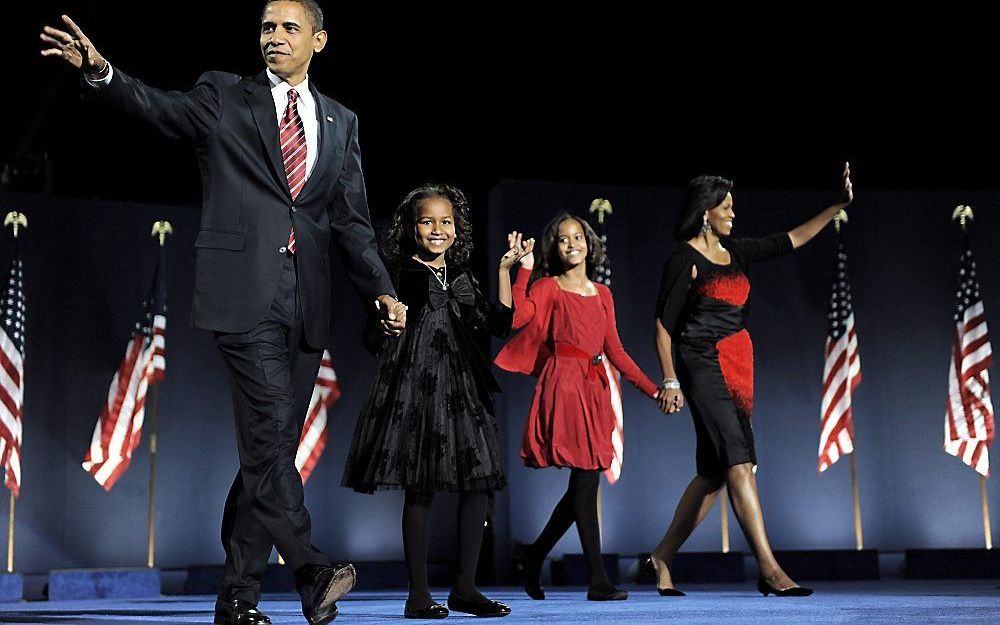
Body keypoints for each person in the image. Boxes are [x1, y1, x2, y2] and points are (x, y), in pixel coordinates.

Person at [40, 4, 406, 624]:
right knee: (268, 432)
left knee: (271, 451)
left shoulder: (341, 122)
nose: (275, 37)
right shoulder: (223, 96)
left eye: (290, 28)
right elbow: (158, 109)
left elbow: (351, 220)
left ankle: (237, 599)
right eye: (266, 27)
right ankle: (310, 565)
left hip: (307, 300)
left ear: (319, 40)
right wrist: (103, 73)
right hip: (240, 292)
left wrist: (382, 289)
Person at [648, 164, 854, 597]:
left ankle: (662, 555)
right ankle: (770, 570)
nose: (733, 213)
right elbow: (664, 326)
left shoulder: (737, 252)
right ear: (705, 211)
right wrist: (669, 381)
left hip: (738, 365)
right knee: (739, 460)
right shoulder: (683, 260)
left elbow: (792, 239)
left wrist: (837, 205)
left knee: (713, 472)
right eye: (726, 206)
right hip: (700, 362)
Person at [344, 184, 531, 619]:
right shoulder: (398, 275)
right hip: (416, 388)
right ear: (411, 228)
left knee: (479, 485)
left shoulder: (462, 275)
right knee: (420, 486)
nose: (437, 229)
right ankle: (418, 595)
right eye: (427, 221)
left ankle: (465, 589)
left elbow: (500, 324)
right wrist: (386, 324)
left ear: (457, 227)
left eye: (446, 221)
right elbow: (373, 336)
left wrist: (508, 271)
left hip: (463, 387)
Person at [495, 214, 665, 601]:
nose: (572, 243)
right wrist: (520, 270)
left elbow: (615, 351)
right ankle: (598, 580)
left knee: (583, 486)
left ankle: (535, 555)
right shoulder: (548, 286)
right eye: (562, 239)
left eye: (578, 236)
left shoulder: (603, 294)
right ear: (553, 247)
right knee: (586, 481)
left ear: (589, 242)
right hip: (564, 386)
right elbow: (518, 317)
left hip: (593, 389)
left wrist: (653, 390)